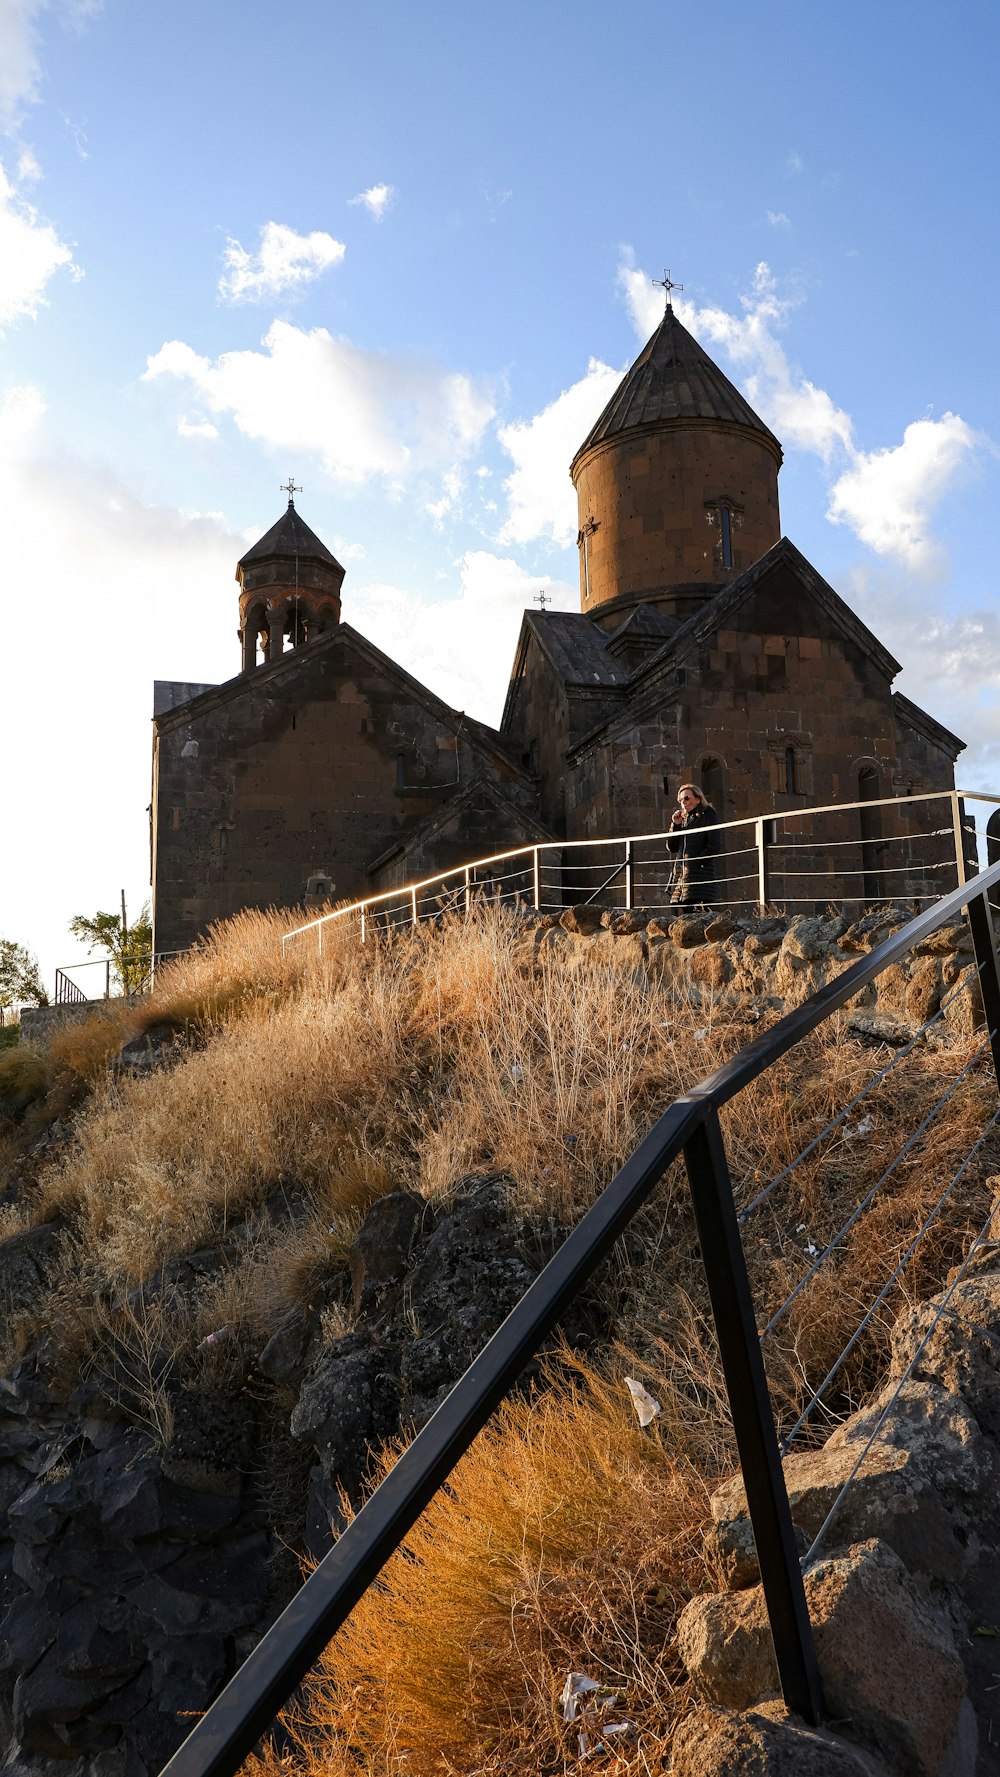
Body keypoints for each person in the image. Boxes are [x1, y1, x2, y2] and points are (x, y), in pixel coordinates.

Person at [667, 783, 722, 909]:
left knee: (701, 916)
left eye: (687, 798)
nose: (683, 802)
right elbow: (672, 848)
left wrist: (698, 862)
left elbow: (714, 844)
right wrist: (676, 825)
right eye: (680, 800)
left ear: (698, 799)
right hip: (681, 878)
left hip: (699, 876)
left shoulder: (708, 814)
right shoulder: (683, 819)